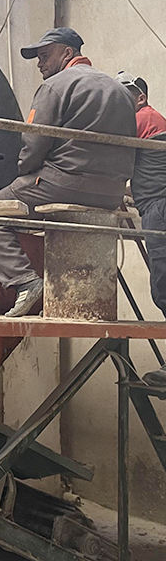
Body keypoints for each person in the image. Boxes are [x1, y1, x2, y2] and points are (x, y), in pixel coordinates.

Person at [0, 27, 137, 317]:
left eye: (44, 55)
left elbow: (34, 142)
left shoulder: (55, 86)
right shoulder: (121, 92)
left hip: (63, 184)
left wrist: (24, 172)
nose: (40, 64)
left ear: (67, 53)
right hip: (111, 194)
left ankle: (25, 283)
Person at [116, 73, 166, 386]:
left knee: (164, 285)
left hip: (160, 209)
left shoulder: (142, 117)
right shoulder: (151, 122)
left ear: (140, 97)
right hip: (154, 207)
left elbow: (109, 156)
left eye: (122, 98)